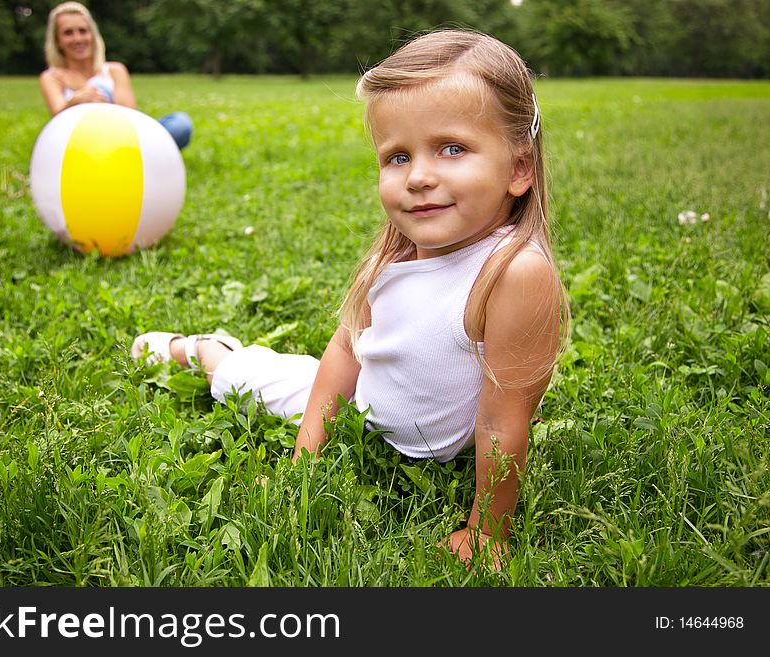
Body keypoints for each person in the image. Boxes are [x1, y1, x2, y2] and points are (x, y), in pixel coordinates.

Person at [131, 29, 569, 570]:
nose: (419, 177)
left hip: (401, 423)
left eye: (452, 148)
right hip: (364, 408)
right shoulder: (399, 254)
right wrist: (303, 464)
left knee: (273, 380)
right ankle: (204, 350)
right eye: (397, 157)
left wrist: (488, 532)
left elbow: (504, 420)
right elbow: (345, 354)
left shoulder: (513, 271)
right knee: (246, 381)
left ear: (519, 168)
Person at [39, 1, 193, 150]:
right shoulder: (52, 77)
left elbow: (131, 119)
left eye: (83, 31)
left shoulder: (114, 70)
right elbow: (57, 122)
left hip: (123, 140)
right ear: (57, 41)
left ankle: (143, 157)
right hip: (83, 144)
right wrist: (74, 102)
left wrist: (98, 101)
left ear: (92, 35)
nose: (78, 39)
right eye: (68, 33)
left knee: (180, 124)